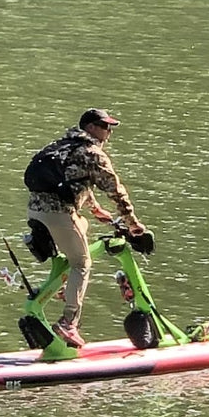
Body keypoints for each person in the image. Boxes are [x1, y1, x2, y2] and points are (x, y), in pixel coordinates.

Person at [25, 108, 146, 348]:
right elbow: (116, 191)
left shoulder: (62, 145)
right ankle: (68, 323)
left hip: (35, 211)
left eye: (110, 127)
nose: (108, 132)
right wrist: (134, 225)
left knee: (82, 226)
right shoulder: (93, 153)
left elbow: (72, 178)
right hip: (58, 214)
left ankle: (64, 285)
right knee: (82, 264)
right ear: (90, 127)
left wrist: (94, 207)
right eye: (104, 127)